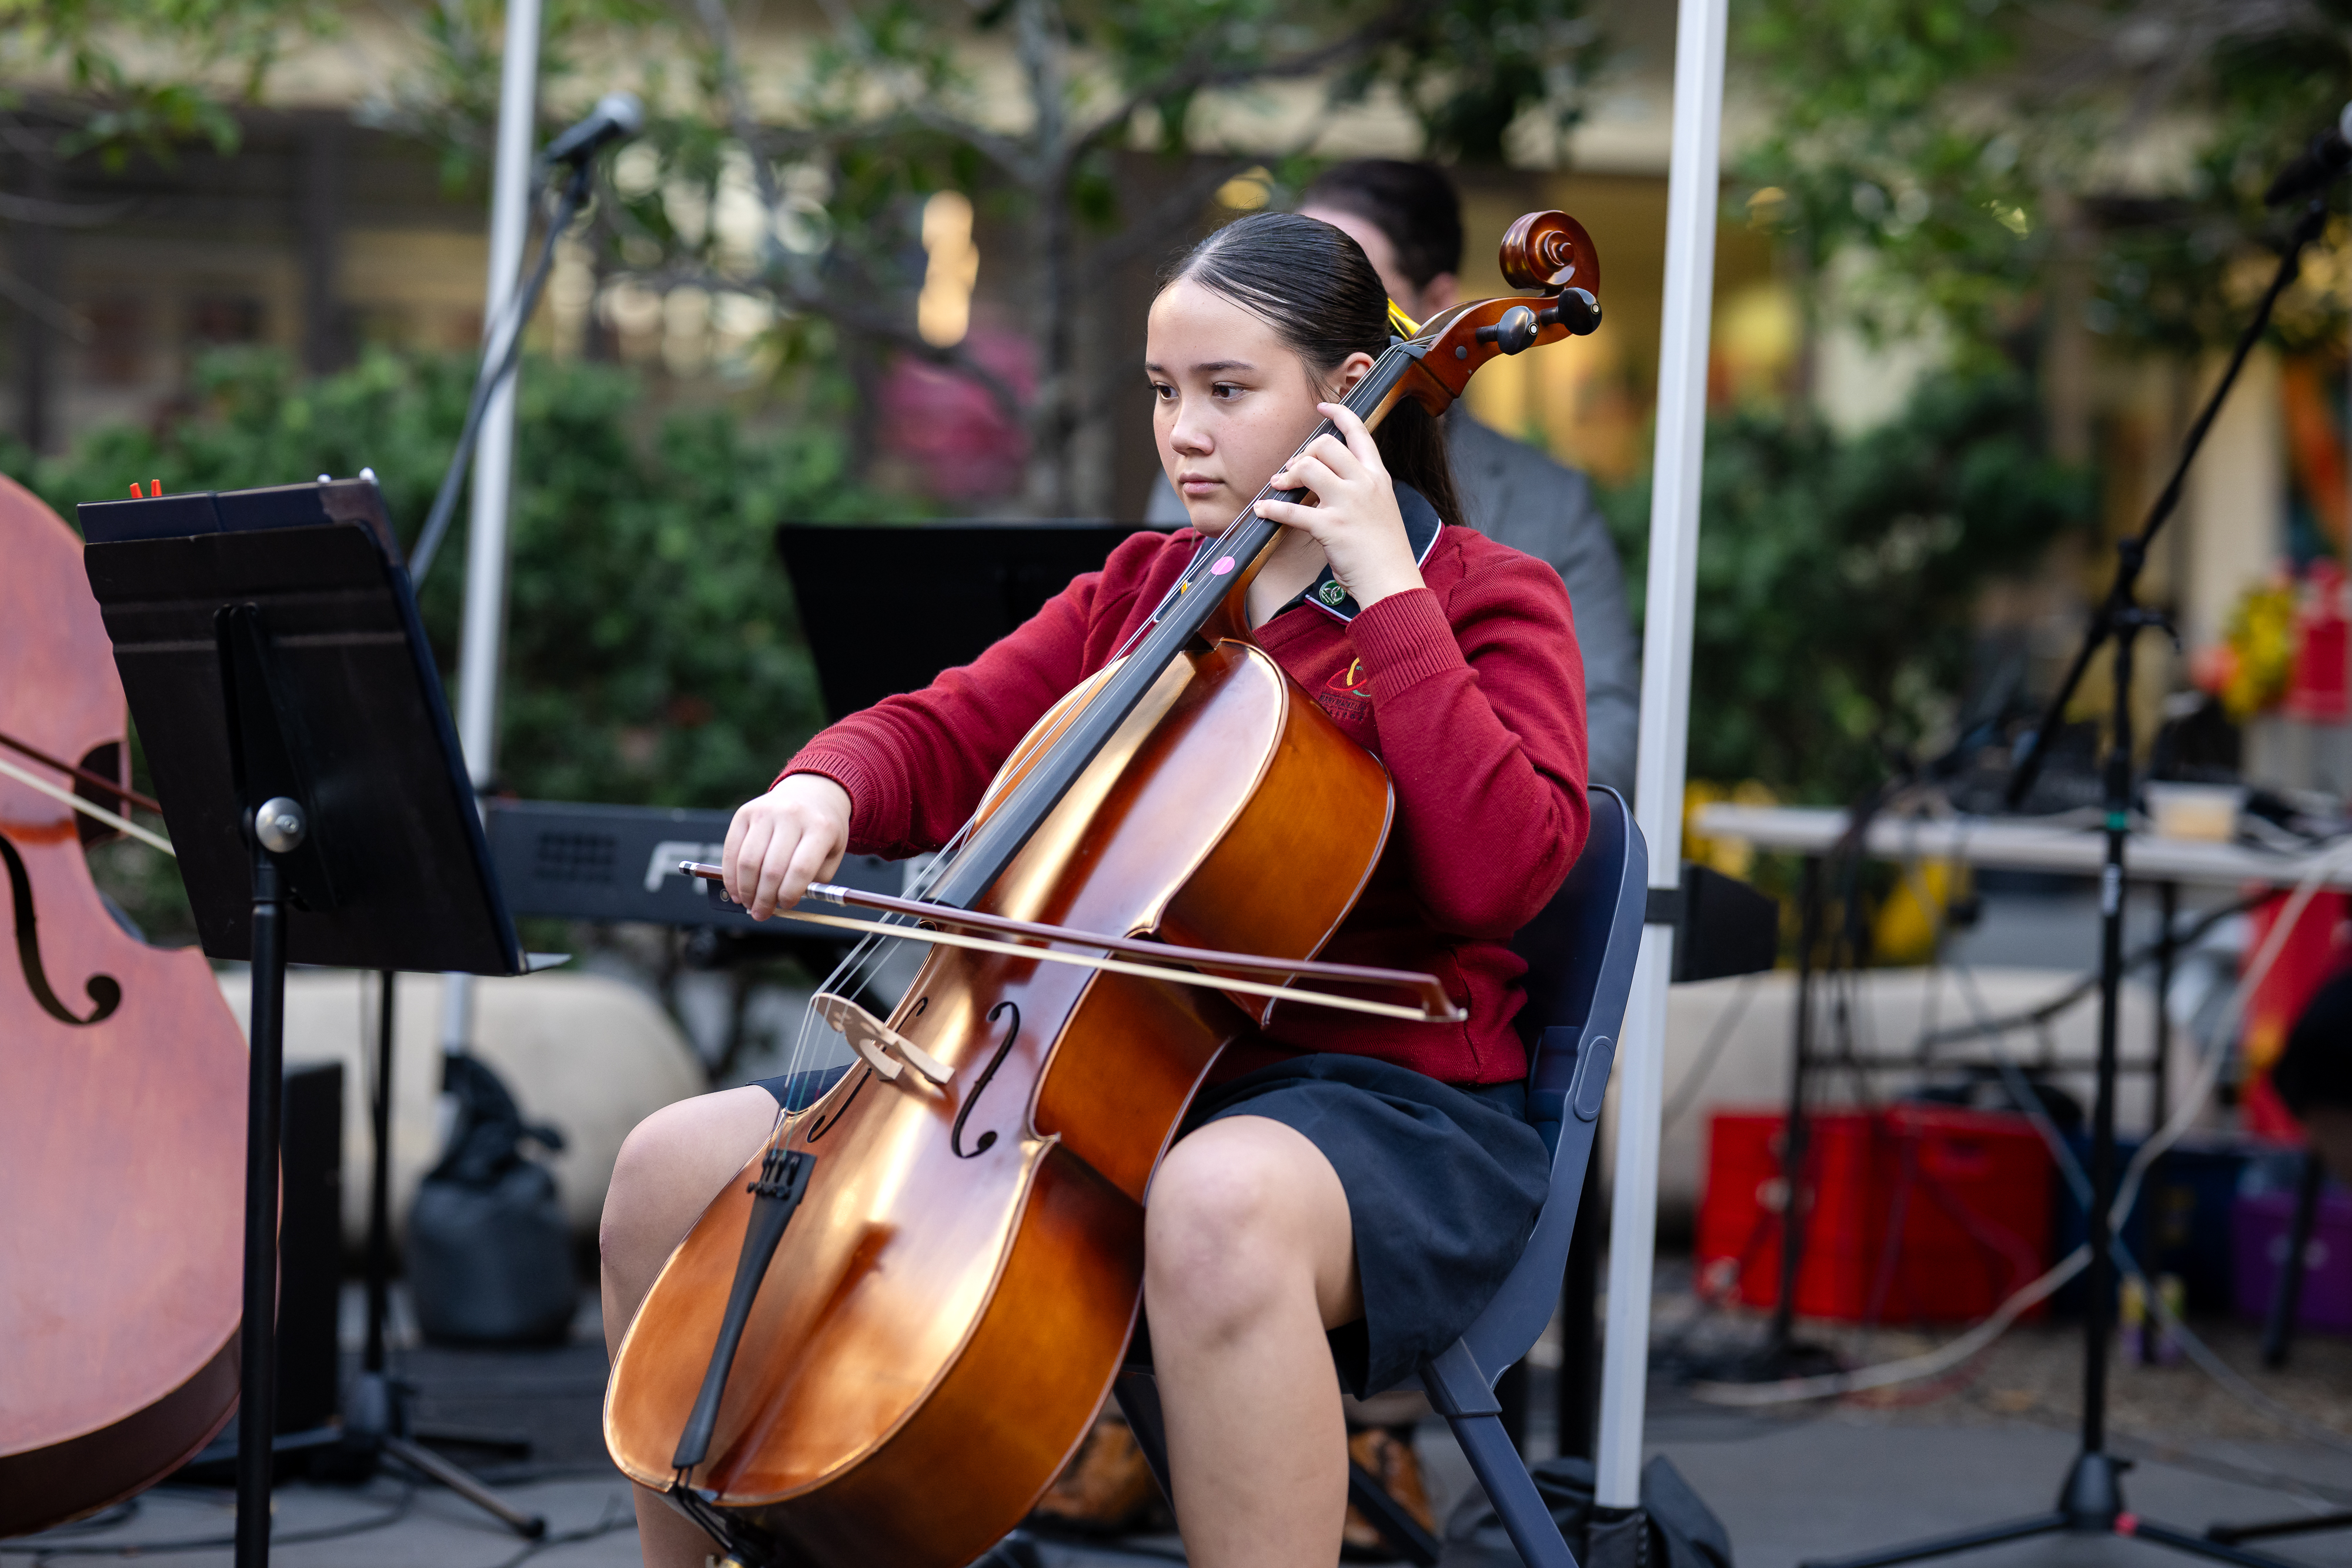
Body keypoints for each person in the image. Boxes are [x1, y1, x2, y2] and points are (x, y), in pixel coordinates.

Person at [599, 212, 1591, 1568]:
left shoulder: (1485, 600)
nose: (1181, 432)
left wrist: (1385, 586)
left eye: (1225, 392)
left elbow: (1506, 873)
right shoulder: (1144, 592)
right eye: (1162, 392)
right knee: (670, 1172)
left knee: (1216, 1201)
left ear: (1349, 388)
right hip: (1086, 1075)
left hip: (1381, 1102)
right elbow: (942, 734)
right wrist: (820, 792)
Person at [1147, 158, 1640, 796]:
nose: (1187, 431)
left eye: (1349, 281)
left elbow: (1594, 751)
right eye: (1162, 389)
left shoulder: (1512, 563)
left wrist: (1391, 598)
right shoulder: (1159, 568)